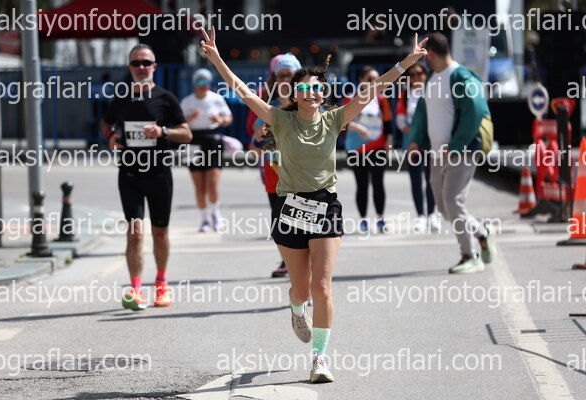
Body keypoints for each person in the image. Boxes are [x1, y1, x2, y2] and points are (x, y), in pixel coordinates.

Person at [200, 26, 428, 382]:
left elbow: (373, 90)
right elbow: (241, 91)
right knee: (302, 289)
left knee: (322, 287)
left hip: (325, 208)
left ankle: (319, 359)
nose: (311, 93)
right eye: (304, 88)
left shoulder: (335, 118)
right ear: (295, 93)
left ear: (323, 94)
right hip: (289, 208)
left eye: (317, 88)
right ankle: (295, 308)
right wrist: (216, 59)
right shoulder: (280, 119)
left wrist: (407, 62)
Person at [101, 44, 192, 310]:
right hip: (129, 174)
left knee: (160, 234)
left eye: (146, 63)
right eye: (136, 63)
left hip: (159, 174)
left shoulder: (166, 98)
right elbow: (106, 122)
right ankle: (136, 290)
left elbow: (187, 134)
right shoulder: (121, 98)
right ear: (129, 67)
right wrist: (110, 136)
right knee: (134, 233)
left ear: (154, 66)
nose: (141, 67)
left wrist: (163, 132)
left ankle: (161, 284)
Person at [408, 33, 495, 274]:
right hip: (438, 154)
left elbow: (475, 110)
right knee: (446, 209)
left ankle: (470, 255)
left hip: (461, 152)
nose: (421, 61)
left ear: (431, 54)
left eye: (423, 56)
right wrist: (415, 140)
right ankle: (482, 233)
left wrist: (456, 146)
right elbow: (422, 112)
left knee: (453, 202)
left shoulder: (460, 76)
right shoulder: (432, 79)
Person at [250, 53, 300, 278]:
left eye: (290, 75)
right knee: (280, 223)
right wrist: (258, 139)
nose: (286, 80)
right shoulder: (266, 109)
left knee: (302, 221)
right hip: (275, 175)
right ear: (275, 79)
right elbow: (255, 149)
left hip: (303, 176)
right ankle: (287, 262)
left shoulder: (308, 106)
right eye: (281, 76)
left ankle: (305, 264)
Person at [180, 68, 233, 232]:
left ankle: (216, 214)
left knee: (212, 184)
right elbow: (179, 123)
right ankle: (204, 219)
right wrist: (190, 118)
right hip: (193, 142)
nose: (203, 84)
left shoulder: (216, 99)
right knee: (199, 186)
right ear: (194, 83)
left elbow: (228, 118)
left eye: (206, 81)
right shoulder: (187, 102)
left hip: (212, 140)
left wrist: (220, 119)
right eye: (200, 81)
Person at [343, 65, 392, 233]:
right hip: (356, 149)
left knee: (378, 184)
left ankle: (380, 219)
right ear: (361, 80)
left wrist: (389, 140)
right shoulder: (351, 98)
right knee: (361, 185)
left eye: (377, 79)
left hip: (377, 147)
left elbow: (387, 123)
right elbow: (343, 122)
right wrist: (358, 128)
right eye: (370, 79)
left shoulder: (381, 99)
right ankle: (363, 220)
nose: (374, 82)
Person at [395, 62, 439, 233]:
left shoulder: (432, 93)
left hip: (430, 143)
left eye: (419, 73)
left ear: (425, 74)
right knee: (415, 180)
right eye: (412, 75)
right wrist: (414, 132)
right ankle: (420, 215)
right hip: (412, 144)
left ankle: (432, 214)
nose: (416, 77)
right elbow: (400, 120)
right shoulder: (405, 95)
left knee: (431, 179)